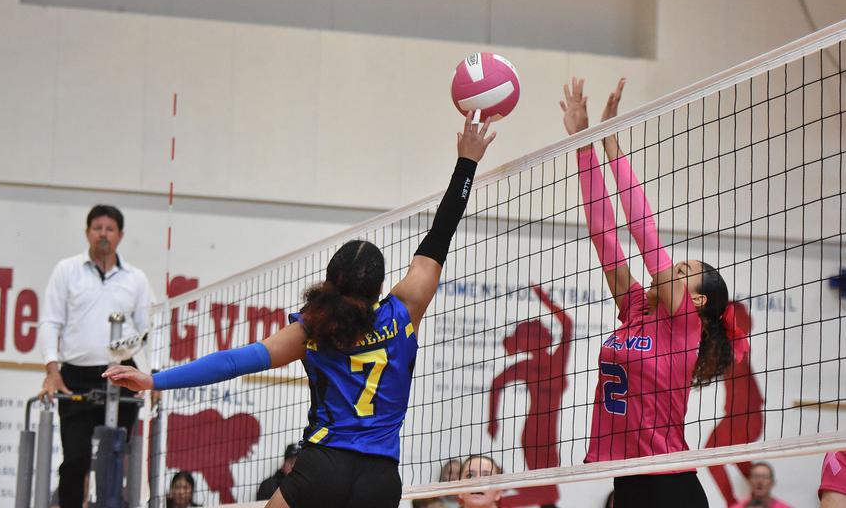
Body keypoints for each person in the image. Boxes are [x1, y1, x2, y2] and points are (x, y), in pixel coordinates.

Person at [103, 114, 497, 508]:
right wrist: (467, 163)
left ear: (330, 280)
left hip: (323, 468)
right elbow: (441, 232)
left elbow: (233, 361)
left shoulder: (314, 328)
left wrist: (154, 381)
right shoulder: (404, 310)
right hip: (379, 479)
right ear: (379, 287)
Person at [563, 77, 743, 508]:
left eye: (683, 272)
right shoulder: (637, 309)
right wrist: (584, 147)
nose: (672, 271)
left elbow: (645, 236)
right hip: (627, 482)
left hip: (669, 485)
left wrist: (611, 146)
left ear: (697, 301)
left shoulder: (684, 324)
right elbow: (605, 235)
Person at [37, 205, 155, 508]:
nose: (103, 234)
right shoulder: (67, 270)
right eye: (97, 228)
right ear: (87, 232)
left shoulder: (136, 278)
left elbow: (149, 331)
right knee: (74, 459)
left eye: (110, 228)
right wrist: (53, 371)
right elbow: (50, 320)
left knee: (115, 455)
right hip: (75, 375)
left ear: (120, 235)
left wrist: (153, 377)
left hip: (122, 373)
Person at [488, 285, 571, 508]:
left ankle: (502, 489)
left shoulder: (557, 360)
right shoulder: (528, 366)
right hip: (535, 434)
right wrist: (492, 420)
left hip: (547, 434)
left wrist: (545, 299)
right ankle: (498, 500)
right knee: (547, 493)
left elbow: (568, 324)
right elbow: (496, 384)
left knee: (547, 492)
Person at [706, 302, 764, 506]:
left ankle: (733, 503)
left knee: (710, 452)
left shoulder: (736, 346)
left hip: (745, 418)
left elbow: (743, 320)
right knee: (734, 457)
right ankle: (757, 499)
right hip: (739, 417)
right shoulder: (727, 350)